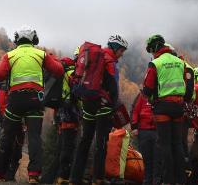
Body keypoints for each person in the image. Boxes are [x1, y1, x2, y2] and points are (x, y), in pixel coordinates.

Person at [0, 28, 64, 183]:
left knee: (7, 137)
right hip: (35, 100)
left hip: (15, 101)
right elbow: (59, 71)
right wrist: (52, 58)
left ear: (17, 40)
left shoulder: (10, 55)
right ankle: (33, 175)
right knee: (34, 138)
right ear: (34, 40)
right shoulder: (40, 54)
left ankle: (0, 174)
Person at [70, 35, 129, 185]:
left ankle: (75, 179)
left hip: (88, 104)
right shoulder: (109, 61)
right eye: (121, 51)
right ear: (115, 48)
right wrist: (114, 105)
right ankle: (98, 179)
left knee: (85, 141)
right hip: (103, 106)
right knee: (101, 143)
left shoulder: (94, 57)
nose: (122, 54)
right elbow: (113, 88)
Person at [142, 35, 194, 185]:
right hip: (178, 107)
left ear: (155, 48)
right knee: (177, 144)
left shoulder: (155, 63)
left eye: (151, 50)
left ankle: (168, 180)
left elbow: (147, 89)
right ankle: (181, 180)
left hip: (162, 108)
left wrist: (149, 96)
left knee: (164, 145)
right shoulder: (180, 62)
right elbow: (188, 87)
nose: (151, 54)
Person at [52, 53, 81, 185]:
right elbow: (77, 93)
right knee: (69, 145)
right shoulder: (72, 73)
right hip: (71, 113)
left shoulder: (61, 74)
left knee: (63, 145)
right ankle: (63, 176)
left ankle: (58, 176)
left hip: (60, 113)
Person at [132, 90, 159, 185]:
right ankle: (147, 181)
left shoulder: (160, 94)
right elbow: (135, 111)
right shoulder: (142, 96)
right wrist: (134, 127)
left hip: (157, 131)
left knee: (157, 159)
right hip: (143, 131)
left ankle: (156, 181)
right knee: (146, 159)